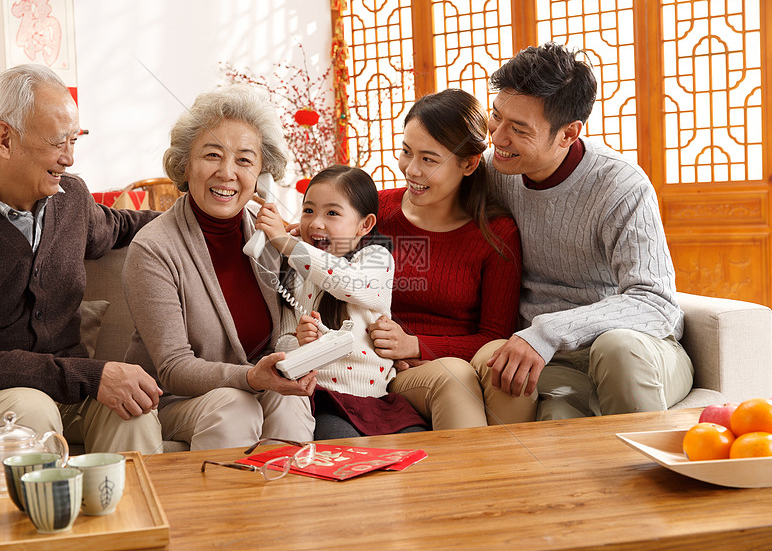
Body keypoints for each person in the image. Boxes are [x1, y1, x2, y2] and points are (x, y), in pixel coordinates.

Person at [0, 64, 163, 455]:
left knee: (134, 409)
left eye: (75, 141)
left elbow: (122, 224)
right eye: (58, 142)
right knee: (30, 412)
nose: (70, 159)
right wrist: (92, 376)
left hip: (57, 389)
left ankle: (131, 516)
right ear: (4, 139)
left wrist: (200, 216)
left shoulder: (70, 200)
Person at [482, 42, 694, 420]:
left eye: (518, 129)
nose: (497, 137)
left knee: (616, 348)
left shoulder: (620, 184)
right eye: (496, 117)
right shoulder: (494, 170)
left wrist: (547, 331)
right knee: (556, 429)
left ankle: (651, 477)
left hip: (639, 351)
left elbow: (655, 301)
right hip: (556, 364)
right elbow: (416, 199)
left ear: (568, 133)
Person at [121, 85, 317, 451]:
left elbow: (284, 332)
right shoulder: (153, 248)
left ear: (262, 175)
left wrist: (299, 350)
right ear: (185, 164)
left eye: (244, 160)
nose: (227, 173)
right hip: (175, 399)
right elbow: (174, 367)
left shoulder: (268, 232)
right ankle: (225, 508)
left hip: (256, 384)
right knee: (235, 406)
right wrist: (252, 378)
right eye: (212, 155)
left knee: (290, 400)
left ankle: (288, 504)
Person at [367, 88, 537, 429]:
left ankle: (515, 474)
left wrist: (416, 345)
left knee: (505, 363)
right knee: (454, 375)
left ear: (469, 163)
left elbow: (493, 336)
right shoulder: (375, 212)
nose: (411, 169)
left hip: (456, 359)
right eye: (406, 152)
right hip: (391, 370)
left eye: (429, 159)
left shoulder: (496, 233)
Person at [254, 165, 427, 439]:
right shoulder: (293, 272)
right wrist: (299, 342)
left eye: (332, 213)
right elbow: (281, 343)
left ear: (365, 225)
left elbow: (347, 282)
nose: (316, 223)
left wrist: (287, 243)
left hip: (375, 400)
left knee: (415, 448)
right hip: (324, 401)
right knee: (344, 450)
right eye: (308, 211)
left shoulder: (376, 260)